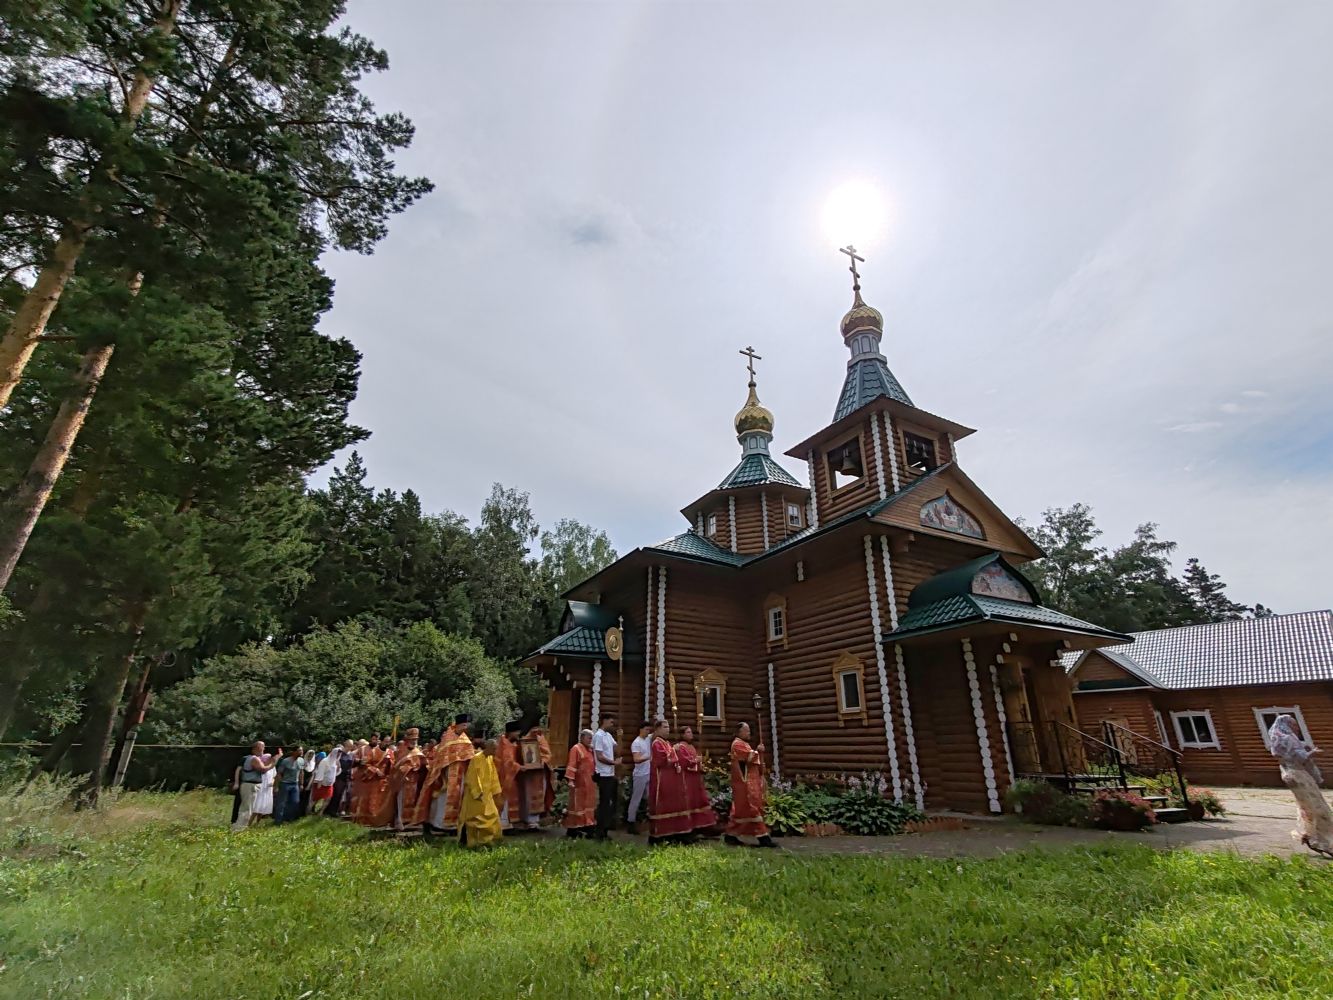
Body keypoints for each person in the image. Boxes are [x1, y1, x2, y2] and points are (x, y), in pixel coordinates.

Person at [1268, 714, 1333, 858]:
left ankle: (1309, 835)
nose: (1296, 728)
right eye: (1294, 725)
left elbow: (1284, 756)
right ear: (1287, 725)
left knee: (1306, 807)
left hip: (1289, 774)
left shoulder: (1278, 739)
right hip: (1298, 775)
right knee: (1317, 807)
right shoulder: (1288, 738)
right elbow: (1299, 757)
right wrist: (1313, 753)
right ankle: (1324, 842)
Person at [413, 715, 476, 833]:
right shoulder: (448, 738)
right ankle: (439, 824)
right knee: (443, 799)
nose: (465, 727)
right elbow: (441, 759)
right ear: (457, 725)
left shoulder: (465, 738)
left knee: (458, 799)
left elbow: (469, 755)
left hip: (460, 774)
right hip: (445, 775)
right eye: (463, 725)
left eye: (467, 725)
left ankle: (453, 824)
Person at [724, 722, 776, 848]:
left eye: (749, 730)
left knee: (742, 811)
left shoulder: (744, 744)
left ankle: (730, 835)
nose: (749, 733)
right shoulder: (737, 744)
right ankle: (764, 838)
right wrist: (758, 751)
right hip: (745, 783)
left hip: (751, 781)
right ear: (739, 732)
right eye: (746, 731)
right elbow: (748, 757)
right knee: (751, 808)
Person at [648, 719, 693, 845]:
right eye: (665, 727)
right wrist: (675, 750)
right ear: (657, 729)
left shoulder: (666, 743)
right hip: (662, 780)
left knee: (675, 805)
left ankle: (676, 832)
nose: (668, 729)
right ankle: (660, 836)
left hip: (672, 779)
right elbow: (662, 760)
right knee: (664, 805)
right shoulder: (656, 743)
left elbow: (675, 759)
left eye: (668, 727)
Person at [376, 728, 427, 830]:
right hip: (401, 781)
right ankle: (399, 821)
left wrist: (418, 767)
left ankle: (410, 821)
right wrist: (405, 769)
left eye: (415, 739)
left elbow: (423, 766)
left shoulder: (418, 752)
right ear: (407, 740)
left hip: (414, 781)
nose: (414, 741)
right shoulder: (400, 751)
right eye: (412, 739)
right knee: (400, 801)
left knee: (412, 801)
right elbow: (395, 767)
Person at [458, 737, 503, 848]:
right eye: (494, 749)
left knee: (493, 815)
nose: (496, 751)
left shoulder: (490, 759)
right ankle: (475, 842)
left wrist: (495, 790)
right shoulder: (476, 759)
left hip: (487, 794)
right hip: (476, 795)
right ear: (488, 748)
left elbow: (493, 775)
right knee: (475, 819)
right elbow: (472, 777)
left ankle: (488, 841)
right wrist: (477, 792)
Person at [674, 726, 718, 834]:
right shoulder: (681, 747)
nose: (691, 734)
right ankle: (690, 826)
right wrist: (695, 761)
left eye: (691, 732)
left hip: (696, 778)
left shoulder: (692, 747)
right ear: (683, 735)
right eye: (688, 732)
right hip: (687, 778)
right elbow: (683, 761)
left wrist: (700, 763)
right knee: (690, 801)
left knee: (700, 800)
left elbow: (696, 761)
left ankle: (703, 825)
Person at [232, 742, 282, 831]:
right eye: (261, 747)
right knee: (246, 809)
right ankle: (238, 829)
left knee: (248, 808)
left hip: (250, 785)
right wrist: (275, 761)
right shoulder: (254, 759)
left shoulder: (252, 758)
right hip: (249, 785)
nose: (263, 749)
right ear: (254, 749)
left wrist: (274, 759)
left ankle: (240, 828)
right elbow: (263, 769)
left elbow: (265, 764)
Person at [517, 724, 556, 830]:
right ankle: (527, 820)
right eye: (534, 730)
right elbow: (521, 756)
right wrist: (527, 763)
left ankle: (535, 822)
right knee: (527, 796)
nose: (536, 732)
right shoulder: (524, 741)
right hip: (529, 775)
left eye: (538, 730)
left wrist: (542, 762)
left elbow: (547, 754)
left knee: (539, 796)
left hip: (539, 773)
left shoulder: (542, 740)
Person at [563, 729, 597, 838]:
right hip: (579, 782)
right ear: (582, 738)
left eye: (592, 738)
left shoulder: (590, 750)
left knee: (588, 804)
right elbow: (572, 764)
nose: (590, 740)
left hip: (589, 782)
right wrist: (570, 780)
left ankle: (587, 825)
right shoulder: (576, 749)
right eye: (589, 738)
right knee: (577, 805)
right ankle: (573, 828)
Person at [592, 714, 620, 840]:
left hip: (610, 773)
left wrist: (620, 737)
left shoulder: (608, 736)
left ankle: (605, 830)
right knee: (604, 803)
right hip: (602, 774)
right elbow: (599, 756)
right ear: (604, 721)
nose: (612, 723)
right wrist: (613, 762)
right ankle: (600, 832)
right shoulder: (598, 736)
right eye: (610, 721)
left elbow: (617, 750)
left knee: (610, 803)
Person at [494, 720, 524, 833]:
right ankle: (503, 824)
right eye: (517, 732)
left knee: (510, 800)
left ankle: (508, 823)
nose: (518, 735)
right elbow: (507, 762)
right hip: (504, 778)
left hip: (509, 777)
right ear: (511, 732)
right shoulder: (504, 744)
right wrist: (519, 767)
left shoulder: (509, 743)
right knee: (504, 800)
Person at [626, 721, 652, 834]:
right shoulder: (636, 743)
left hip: (648, 773)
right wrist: (648, 757)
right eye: (646, 729)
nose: (648, 732)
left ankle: (644, 819)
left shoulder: (647, 739)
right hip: (640, 775)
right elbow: (636, 759)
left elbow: (655, 732)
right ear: (641, 730)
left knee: (648, 798)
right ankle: (630, 822)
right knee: (636, 799)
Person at [273, 745, 305, 825]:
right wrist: (277, 785)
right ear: (294, 752)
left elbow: (301, 772)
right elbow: (279, 773)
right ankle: (278, 821)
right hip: (285, 784)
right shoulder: (286, 761)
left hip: (295, 784)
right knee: (282, 803)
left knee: (295, 802)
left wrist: (301, 784)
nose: (301, 752)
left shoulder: (301, 760)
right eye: (299, 750)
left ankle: (289, 819)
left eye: (302, 750)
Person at [310, 745, 341, 814]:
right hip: (321, 783)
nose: (338, 755)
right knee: (315, 799)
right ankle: (308, 811)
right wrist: (319, 782)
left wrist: (338, 768)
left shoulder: (336, 762)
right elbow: (320, 771)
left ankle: (320, 812)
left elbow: (335, 773)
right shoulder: (325, 761)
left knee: (328, 799)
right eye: (337, 753)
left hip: (329, 784)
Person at [252, 752, 277, 822]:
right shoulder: (261, 766)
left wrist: (272, 782)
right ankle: (249, 823)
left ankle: (257, 823)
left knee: (263, 807)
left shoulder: (272, 767)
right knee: (257, 806)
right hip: (261, 788)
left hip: (268, 789)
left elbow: (274, 776)